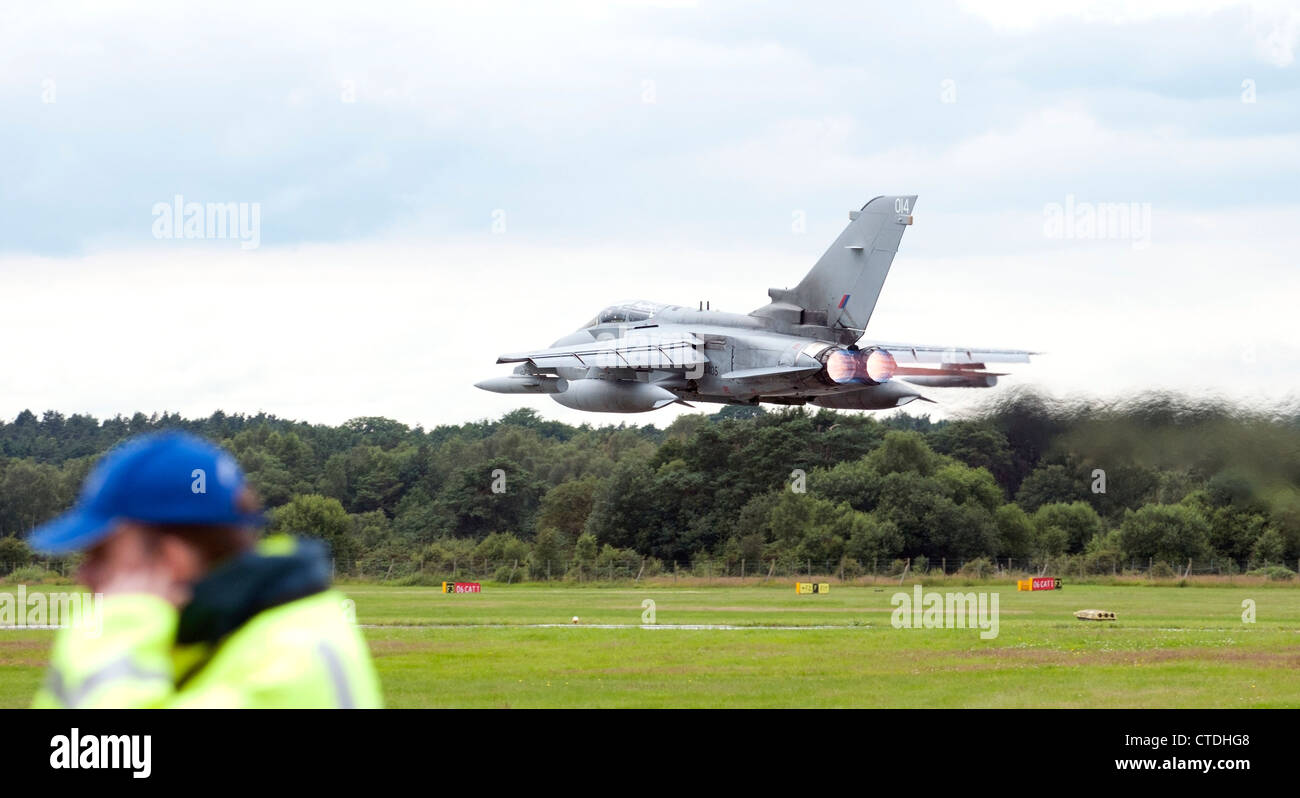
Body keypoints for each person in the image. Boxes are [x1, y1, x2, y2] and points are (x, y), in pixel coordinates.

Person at [28, 430, 382, 708]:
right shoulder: (220, 630)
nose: (84, 574)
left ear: (171, 559)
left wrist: (122, 624)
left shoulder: (291, 663)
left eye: (101, 554)